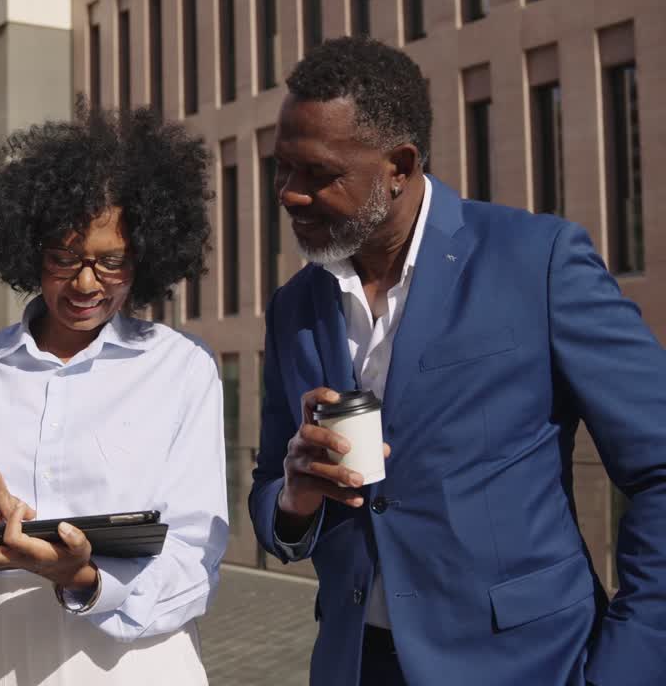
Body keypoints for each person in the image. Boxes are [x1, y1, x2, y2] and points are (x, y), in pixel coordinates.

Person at [248, 35, 666, 686]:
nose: (289, 195)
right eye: (282, 169)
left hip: (527, 666)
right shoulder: (293, 306)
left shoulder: (539, 262)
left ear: (399, 165)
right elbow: (268, 494)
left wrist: (629, 666)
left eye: (317, 173)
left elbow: (660, 469)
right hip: (356, 665)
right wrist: (293, 500)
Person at [0, 101, 229, 685]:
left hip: (138, 666)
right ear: (31, 249)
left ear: (145, 256)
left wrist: (83, 578)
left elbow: (195, 556)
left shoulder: (182, 368)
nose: (85, 283)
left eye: (112, 263)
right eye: (64, 258)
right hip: (0, 662)